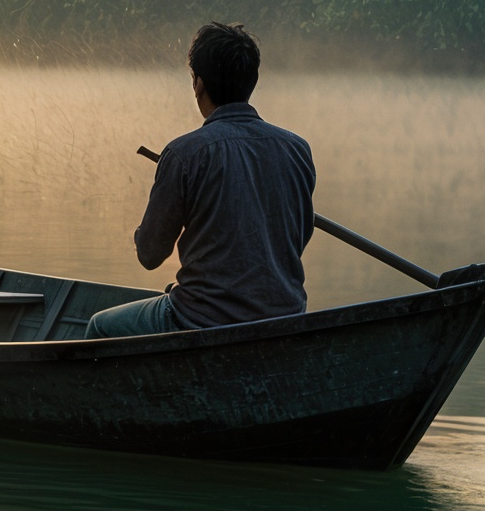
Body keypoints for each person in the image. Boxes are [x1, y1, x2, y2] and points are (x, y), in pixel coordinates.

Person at [86, 22, 316, 339]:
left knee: (100, 326)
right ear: (253, 81)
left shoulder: (184, 154)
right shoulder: (297, 149)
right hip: (285, 315)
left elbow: (150, 255)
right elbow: (297, 239)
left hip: (204, 320)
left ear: (198, 84)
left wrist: (141, 232)